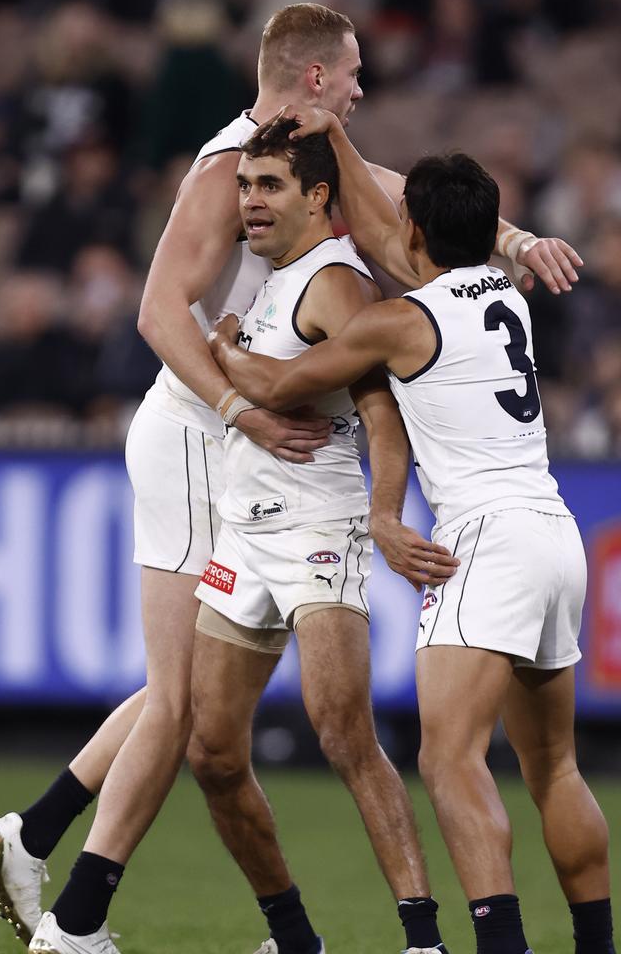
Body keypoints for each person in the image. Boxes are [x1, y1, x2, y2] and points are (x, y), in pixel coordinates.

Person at [0, 3, 582, 954]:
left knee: (251, 721)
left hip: (280, 473)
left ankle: (55, 858)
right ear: (310, 79)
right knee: (187, 709)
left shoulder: (313, 178)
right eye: (350, 75)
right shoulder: (230, 167)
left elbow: (402, 214)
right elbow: (157, 311)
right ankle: (70, 891)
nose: (359, 89)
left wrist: (510, 242)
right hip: (200, 435)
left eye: (273, 189)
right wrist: (234, 404)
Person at [209, 108, 616, 954]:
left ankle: (499, 946)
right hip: (554, 533)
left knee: (449, 761)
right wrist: (344, 143)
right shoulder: (508, 293)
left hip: (483, 543)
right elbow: (399, 226)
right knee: (557, 770)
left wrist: (220, 342)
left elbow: (282, 382)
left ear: (418, 230)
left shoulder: (402, 323)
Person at [188, 117, 463, 954]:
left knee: (343, 732)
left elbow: (383, 411)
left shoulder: (336, 283)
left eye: (269, 186)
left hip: (319, 524)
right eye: (244, 186)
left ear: (318, 196)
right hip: (246, 529)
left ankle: (423, 940)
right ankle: (294, 938)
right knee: (211, 752)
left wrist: (383, 515)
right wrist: (232, 347)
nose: (250, 202)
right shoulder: (268, 277)